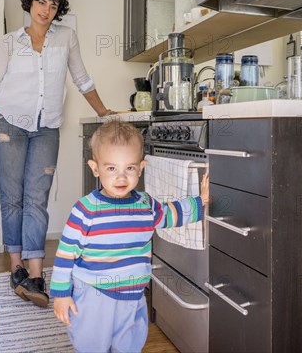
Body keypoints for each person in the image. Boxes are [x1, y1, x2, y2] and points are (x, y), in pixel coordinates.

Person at [0, 0, 114, 308]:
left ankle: (36, 275)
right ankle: (16, 267)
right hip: (7, 124)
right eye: (41, 2)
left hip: (46, 127)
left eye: (53, 5)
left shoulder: (66, 37)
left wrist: (105, 112)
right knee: (13, 198)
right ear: (30, 2)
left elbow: (82, 78)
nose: (46, 10)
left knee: (37, 198)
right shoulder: (10, 42)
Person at [51, 120, 209, 352]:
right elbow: (65, 256)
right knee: (91, 343)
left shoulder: (146, 205)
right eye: (111, 168)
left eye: (130, 168)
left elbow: (170, 214)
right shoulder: (85, 210)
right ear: (95, 169)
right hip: (95, 294)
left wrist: (200, 201)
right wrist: (61, 294)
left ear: (141, 167)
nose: (121, 178)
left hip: (133, 293)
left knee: (129, 343)